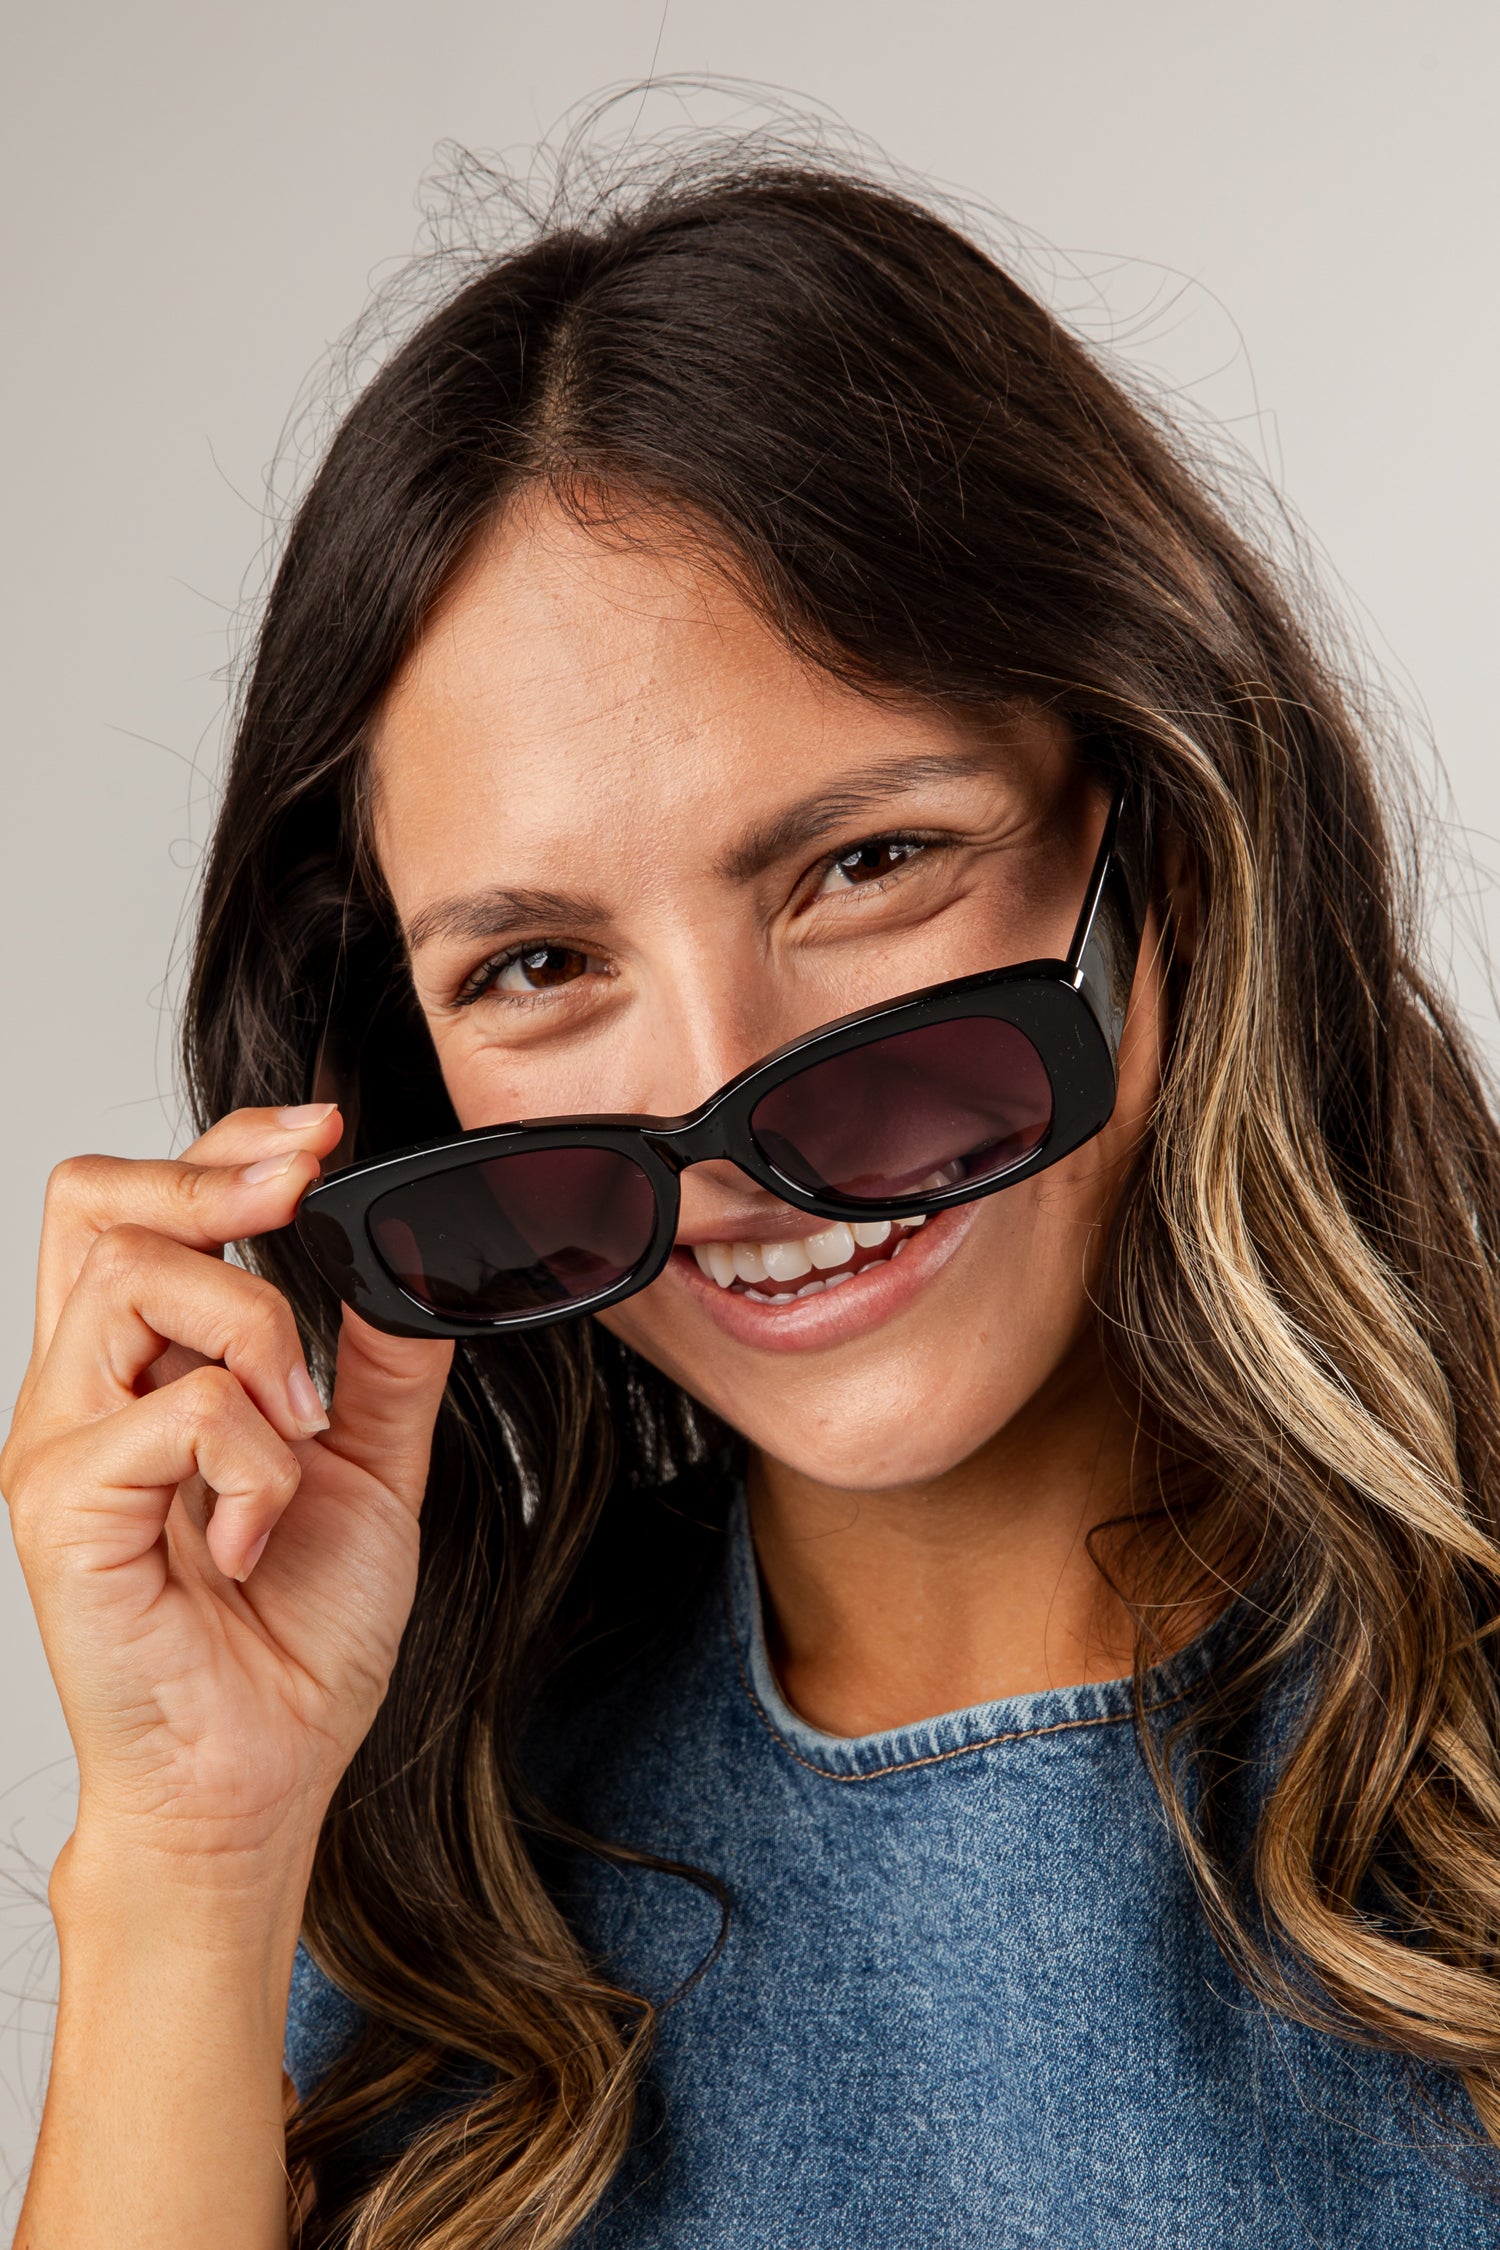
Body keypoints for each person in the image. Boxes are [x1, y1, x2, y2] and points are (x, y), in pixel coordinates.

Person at [8, 153, 1500, 2250]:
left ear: (1160, 850)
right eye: (535, 968)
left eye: (864, 864)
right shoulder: (446, 1903)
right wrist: (180, 1856)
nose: (711, 1107)